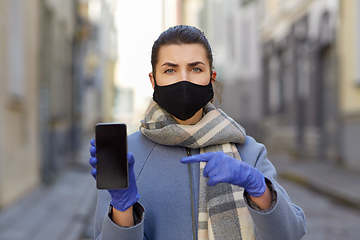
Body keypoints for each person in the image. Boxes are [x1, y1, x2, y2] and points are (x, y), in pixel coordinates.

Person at [89, 25, 306, 240]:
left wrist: (259, 188)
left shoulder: (248, 152)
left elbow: (289, 234)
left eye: (195, 69)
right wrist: (123, 210)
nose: (184, 80)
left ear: (211, 78)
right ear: (153, 81)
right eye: (170, 70)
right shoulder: (127, 158)